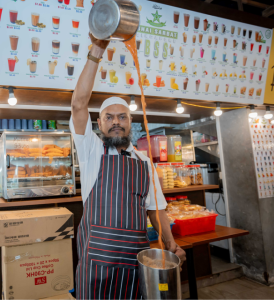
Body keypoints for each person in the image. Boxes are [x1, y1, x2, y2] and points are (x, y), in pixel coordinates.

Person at [71, 34, 186, 299]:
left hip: (136, 259)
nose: (116, 122)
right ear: (99, 124)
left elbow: (156, 210)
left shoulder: (144, 162)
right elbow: (78, 104)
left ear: (130, 122)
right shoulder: (91, 151)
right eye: (108, 117)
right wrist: (98, 49)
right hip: (95, 260)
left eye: (122, 117)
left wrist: (170, 243)